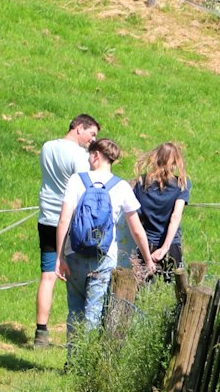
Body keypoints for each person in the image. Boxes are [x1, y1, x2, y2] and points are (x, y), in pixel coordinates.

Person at [54, 138, 153, 336]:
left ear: (96, 155)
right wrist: (148, 259)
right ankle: (88, 355)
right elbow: (136, 229)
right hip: (104, 256)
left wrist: (59, 257)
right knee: (94, 312)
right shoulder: (122, 186)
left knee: (75, 310)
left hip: (74, 253)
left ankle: (73, 354)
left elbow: (64, 221)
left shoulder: (76, 180)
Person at [33, 114, 98, 348]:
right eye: (92, 134)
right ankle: (81, 334)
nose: (93, 140)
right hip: (70, 222)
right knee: (81, 275)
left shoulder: (47, 147)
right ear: (79, 128)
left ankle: (41, 332)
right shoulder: (80, 156)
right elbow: (84, 188)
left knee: (47, 276)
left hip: (46, 218)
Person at [129, 142, 190, 277]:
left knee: (142, 286)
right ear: (176, 162)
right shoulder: (181, 184)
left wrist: (147, 257)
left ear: (155, 158)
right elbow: (175, 216)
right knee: (174, 286)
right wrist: (164, 248)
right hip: (171, 245)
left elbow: (137, 218)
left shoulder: (140, 183)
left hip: (145, 244)